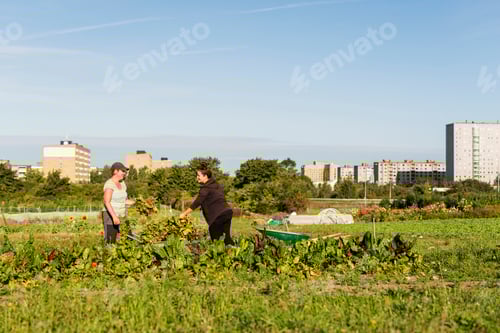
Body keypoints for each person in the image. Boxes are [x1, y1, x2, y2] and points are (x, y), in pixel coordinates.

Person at [179, 164, 234, 245]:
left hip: (218, 216)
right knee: (226, 238)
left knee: (216, 241)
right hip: (227, 212)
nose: (197, 177)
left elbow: (197, 202)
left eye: (198, 175)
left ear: (205, 176)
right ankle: (236, 254)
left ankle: (221, 256)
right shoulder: (216, 185)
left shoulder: (205, 188)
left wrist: (184, 213)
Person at [102, 162, 134, 243]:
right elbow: (107, 202)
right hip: (110, 215)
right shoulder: (109, 184)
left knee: (129, 237)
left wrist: (138, 203)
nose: (124, 173)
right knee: (110, 240)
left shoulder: (122, 183)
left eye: (125, 171)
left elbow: (125, 200)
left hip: (122, 215)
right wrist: (114, 217)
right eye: (122, 171)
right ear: (115, 171)